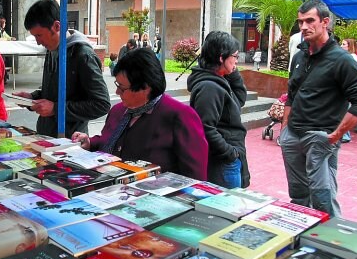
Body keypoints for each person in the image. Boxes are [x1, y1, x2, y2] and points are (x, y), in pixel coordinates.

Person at [280, 0, 357, 217]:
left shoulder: (342, 60)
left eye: (310, 21)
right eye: (300, 22)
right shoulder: (300, 56)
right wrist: (284, 129)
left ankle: (332, 247)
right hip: (293, 136)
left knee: (322, 200)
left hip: (320, 137)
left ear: (325, 22)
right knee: (298, 197)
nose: (304, 27)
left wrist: (336, 134)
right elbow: (292, 94)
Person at [72, 48, 208, 180]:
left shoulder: (180, 116)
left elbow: (195, 178)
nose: (117, 92)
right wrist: (90, 142)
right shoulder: (118, 111)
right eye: (117, 84)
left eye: (122, 87)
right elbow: (109, 141)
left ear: (145, 87)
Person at [13, 0, 110, 137]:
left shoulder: (83, 55)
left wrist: (56, 109)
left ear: (57, 26)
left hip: (70, 139)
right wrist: (31, 98)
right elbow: (55, 92)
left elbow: (102, 104)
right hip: (46, 135)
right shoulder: (51, 50)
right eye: (34, 36)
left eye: (39, 35)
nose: (38, 42)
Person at [187, 31, 250, 188]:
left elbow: (239, 99)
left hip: (228, 159)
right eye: (235, 56)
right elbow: (205, 128)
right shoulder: (209, 87)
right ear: (221, 57)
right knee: (228, 208)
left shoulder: (219, 80)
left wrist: (231, 70)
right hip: (223, 163)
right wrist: (230, 153)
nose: (237, 61)